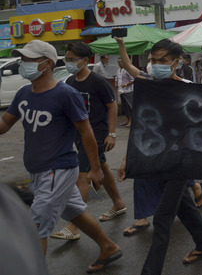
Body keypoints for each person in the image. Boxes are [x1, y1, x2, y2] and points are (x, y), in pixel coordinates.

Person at [0, 40, 122, 273]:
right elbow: (5, 122)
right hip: (37, 170)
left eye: (29, 60)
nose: (23, 64)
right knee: (74, 210)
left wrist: (95, 168)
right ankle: (109, 247)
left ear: (46, 63)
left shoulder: (66, 94)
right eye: (23, 60)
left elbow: (86, 133)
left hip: (58, 170)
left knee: (36, 226)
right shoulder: (24, 93)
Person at [116, 37, 202, 273]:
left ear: (176, 62)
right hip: (156, 159)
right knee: (183, 206)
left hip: (181, 161)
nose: (156, 64)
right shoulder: (149, 86)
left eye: (163, 60)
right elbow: (141, 126)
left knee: (162, 217)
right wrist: (127, 159)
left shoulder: (188, 89)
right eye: (153, 60)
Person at [50, 43, 127, 241]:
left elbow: (112, 107)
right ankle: (118, 203)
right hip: (79, 132)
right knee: (101, 165)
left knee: (82, 175)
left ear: (85, 60)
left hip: (96, 133)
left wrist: (112, 134)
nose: (68, 63)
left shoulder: (98, 81)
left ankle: (74, 225)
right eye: (66, 59)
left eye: (72, 59)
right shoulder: (69, 81)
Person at [116, 58, 134, 127]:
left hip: (128, 91)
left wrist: (126, 84)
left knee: (129, 106)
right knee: (124, 107)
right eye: (118, 62)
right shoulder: (118, 70)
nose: (120, 63)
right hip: (121, 91)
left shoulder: (127, 70)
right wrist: (116, 83)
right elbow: (117, 78)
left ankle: (131, 121)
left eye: (121, 62)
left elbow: (133, 80)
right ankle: (127, 120)